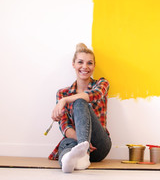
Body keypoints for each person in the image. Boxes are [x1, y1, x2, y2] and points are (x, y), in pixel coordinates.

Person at [48, 43, 112, 173]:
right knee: (65, 145)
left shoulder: (102, 83)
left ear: (94, 66)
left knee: (80, 101)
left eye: (89, 63)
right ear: (74, 64)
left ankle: (83, 154)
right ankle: (70, 160)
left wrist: (64, 101)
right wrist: (83, 141)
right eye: (80, 62)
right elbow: (65, 126)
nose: (85, 67)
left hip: (99, 145)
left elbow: (95, 94)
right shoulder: (62, 93)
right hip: (76, 141)